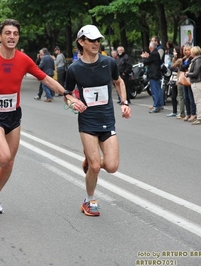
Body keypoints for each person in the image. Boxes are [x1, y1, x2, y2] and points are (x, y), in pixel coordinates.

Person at [0, 18, 86, 215]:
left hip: (14, 115)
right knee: (3, 156)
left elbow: (46, 78)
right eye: (7, 33)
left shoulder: (24, 60)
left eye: (15, 34)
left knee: (10, 162)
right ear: (0, 36)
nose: (12, 37)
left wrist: (66, 95)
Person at [65, 24, 131, 217]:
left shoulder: (109, 63)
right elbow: (67, 94)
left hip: (107, 120)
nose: (96, 43)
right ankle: (89, 200)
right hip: (87, 122)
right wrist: (73, 102)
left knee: (111, 166)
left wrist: (124, 103)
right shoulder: (74, 68)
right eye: (91, 40)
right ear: (81, 42)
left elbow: (119, 81)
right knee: (95, 167)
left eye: (98, 40)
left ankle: (90, 158)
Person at [185, 46, 201, 125]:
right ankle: (199, 116)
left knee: (198, 101)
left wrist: (188, 74)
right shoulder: (198, 60)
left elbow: (195, 73)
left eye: (191, 51)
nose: (190, 52)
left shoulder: (197, 61)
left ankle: (200, 118)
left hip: (197, 82)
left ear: (194, 52)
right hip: (198, 81)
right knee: (197, 100)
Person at [141, 42, 163, 113]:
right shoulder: (156, 53)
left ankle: (156, 106)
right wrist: (148, 56)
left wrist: (144, 57)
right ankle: (159, 104)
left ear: (151, 48)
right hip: (157, 73)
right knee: (158, 90)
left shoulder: (153, 54)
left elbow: (147, 62)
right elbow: (150, 59)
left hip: (153, 74)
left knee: (154, 91)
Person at [179, 45, 196, 122]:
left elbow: (186, 66)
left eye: (188, 50)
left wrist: (183, 67)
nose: (187, 51)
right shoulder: (184, 59)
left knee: (190, 97)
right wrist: (183, 67)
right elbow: (181, 67)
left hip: (190, 79)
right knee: (186, 97)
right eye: (185, 50)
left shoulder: (192, 59)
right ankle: (188, 113)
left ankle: (193, 113)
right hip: (184, 79)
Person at [168, 46, 184, 117]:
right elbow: (172, 67)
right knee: (173, 96)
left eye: (174, 51)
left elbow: (172, 67)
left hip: (178, 78)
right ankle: (174, 111)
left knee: (180, 96)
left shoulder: (180, 60)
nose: (173, 53)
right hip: (173, 78)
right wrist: (174, 59)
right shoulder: (175, 59)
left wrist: (174, 63)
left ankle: (181, 112)